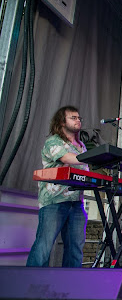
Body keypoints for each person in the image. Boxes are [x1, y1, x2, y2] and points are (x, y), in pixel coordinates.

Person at [27, 106, 89, 267]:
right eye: (73, 118)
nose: (78, 120)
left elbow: (85, 170)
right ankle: (30, 286)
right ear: (62, 122)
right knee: (44, 246)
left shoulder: (81, 145)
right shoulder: (53, 141)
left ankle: (69, 287)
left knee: (75, 249)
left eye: (79, 118)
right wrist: (96, 157)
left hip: (76, 203)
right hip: (54, 202)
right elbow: (67, 158)